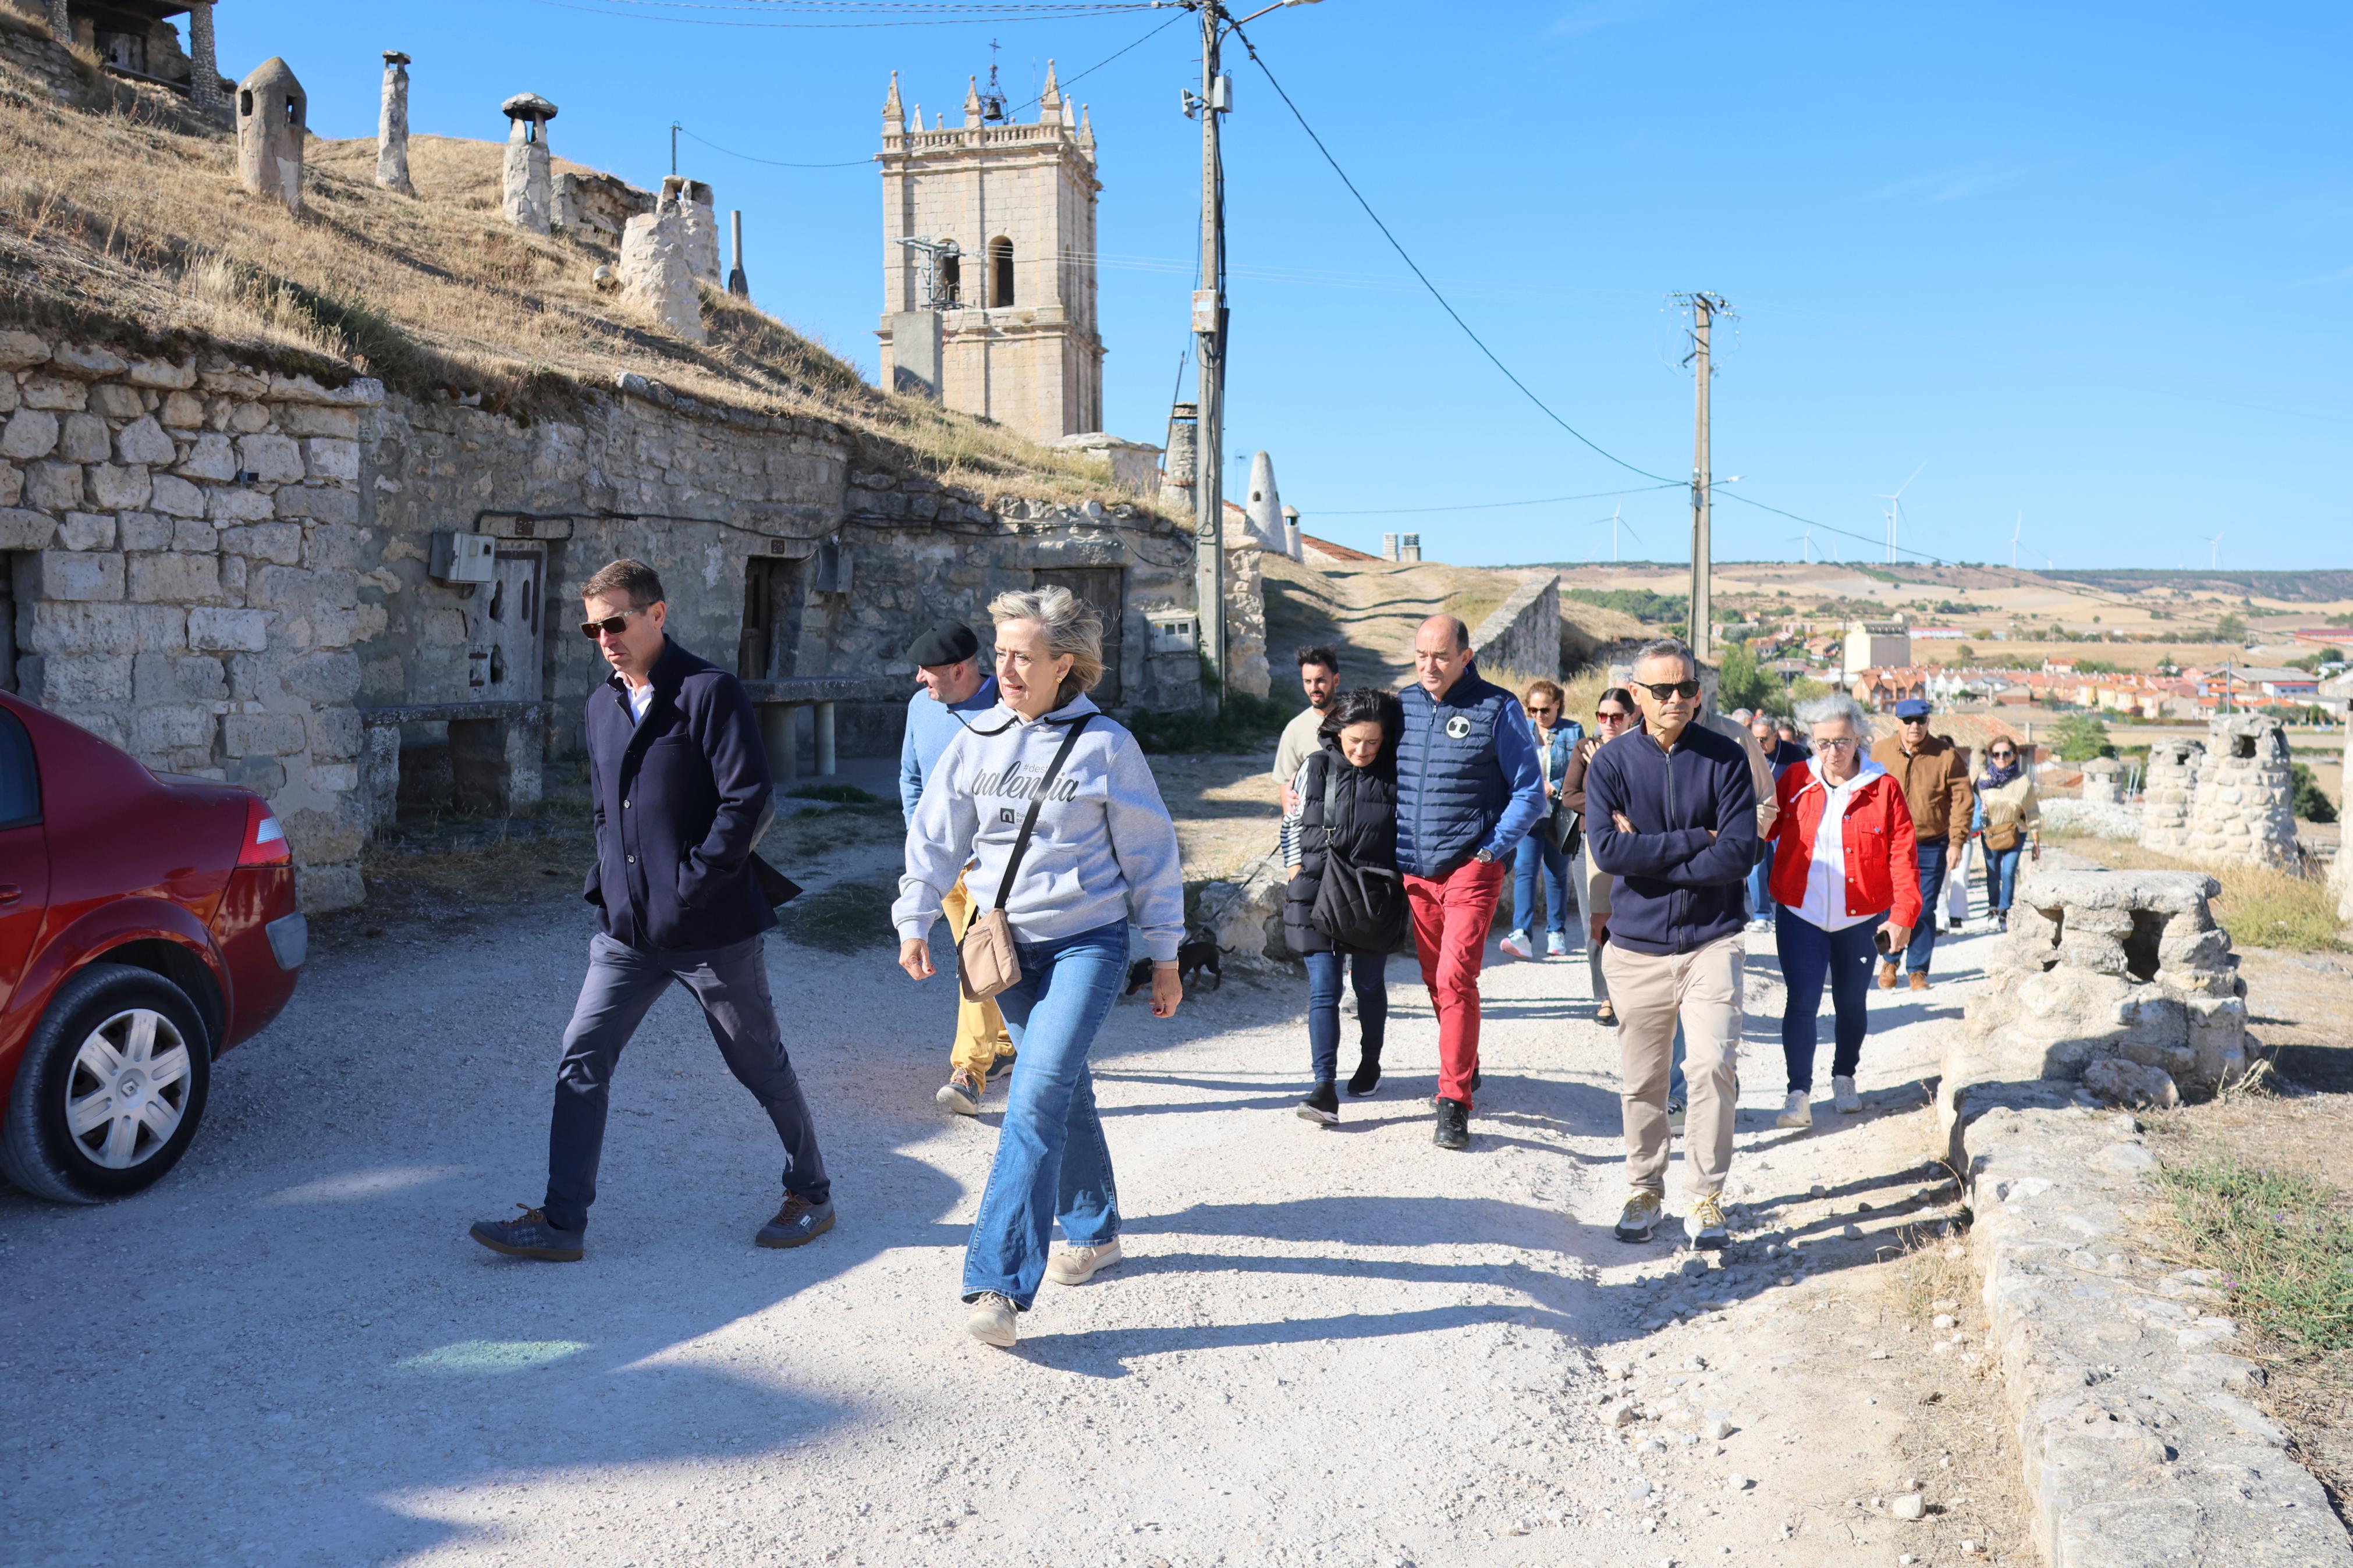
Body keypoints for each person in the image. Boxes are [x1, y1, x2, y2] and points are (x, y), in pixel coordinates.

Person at [469, 559, 833, 1262]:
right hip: (627, 933)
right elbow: (607, 811)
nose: (604, 636)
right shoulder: (600, 705)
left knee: (758, 1063)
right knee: (581, 1053)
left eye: (616, 621)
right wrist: (606, 888)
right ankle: (561, 1221)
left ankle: (811, 1190)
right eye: (592, 626)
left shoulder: (708, 692)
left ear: (656, 615)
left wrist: (693, 884)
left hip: (711, 930)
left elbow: (748, 801)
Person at [894, 585, 1187, 1350]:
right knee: (1062, 1084)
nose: (1008, 668)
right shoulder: (976, 737)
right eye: (1002, 654)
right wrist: (914, 913)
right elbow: (934, 836)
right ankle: (1096, 1225)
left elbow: (1151, 856)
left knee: (1031, 1099)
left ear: (1065, 664)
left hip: (1087, 945)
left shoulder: (1106, 746)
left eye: (1024, 656)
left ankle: (996, 1281)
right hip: (1006, 951)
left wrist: (1165, 954)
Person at [1585, 639, 1758, 1250]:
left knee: (1710, 1064)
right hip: (1634, 947)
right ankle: (1643, 1185)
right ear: (1635, 694)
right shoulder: (1609, 765)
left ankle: (1706, 1196)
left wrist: (1652, 854)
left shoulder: (1725, 757)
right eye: (1662, 690)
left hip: (1712, 940)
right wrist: (1695, 838)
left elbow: (1738, 854)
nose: (1678, 700)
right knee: (1643, 1079)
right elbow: (1608, 853)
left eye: (1687, 688)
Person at [1394, 616, 1546, 1151]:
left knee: (1457, 979)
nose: (1428, 666)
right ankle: (1465, 1056)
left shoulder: (1498, 707)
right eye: (1419, 656)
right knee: (1437, 982)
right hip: (1416, 871)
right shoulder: (1404, 705)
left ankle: (1453, 1102)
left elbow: (1531, 792)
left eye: (1439, 655)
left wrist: (1489, 851)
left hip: (1470, 869)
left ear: (1466, 655)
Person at [1765, 694, 1921, 1128]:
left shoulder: (1882, 787)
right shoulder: (1795, 778)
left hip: (1859, 917)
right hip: (1801, 913)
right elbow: (1761, 828)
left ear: (1859, 738)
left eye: (1842, 741)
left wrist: (1902, 914)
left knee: (1850, 1002)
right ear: (1810, 741)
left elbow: (1902, 855)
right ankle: (1798, 1093)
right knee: (1802, 1001)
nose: (1832, 752)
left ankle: (1844, 1075)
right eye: (1822, 742)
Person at [897, 621, 1015, 1117]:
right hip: (944, 868)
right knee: (989, 961)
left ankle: (968, 1070)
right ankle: (1006, 1045)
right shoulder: (920, 708)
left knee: (975, 962)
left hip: (994, 867)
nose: (920, 680)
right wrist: (924, 847)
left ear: (960, 670)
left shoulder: (1010, 710)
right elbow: (910, 779)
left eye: (928, 671)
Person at [1280, 687, 1404, 1121]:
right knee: (1325, 990)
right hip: (1316, 890)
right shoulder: (1314, 767)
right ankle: (1323, 1088)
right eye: (1354, 740)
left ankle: (1370, 1062)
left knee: (1368, 985)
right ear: (1337, 732)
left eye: (1372, 741)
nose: (1362, 749)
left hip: (1374, 894)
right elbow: (1291, 824)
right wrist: (1295, 869)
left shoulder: (1397, 774)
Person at [1869, 699, 1971, 991]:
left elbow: (1963, 801)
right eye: (1908, 720)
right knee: (1891, 904)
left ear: (1928, 722)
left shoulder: (1946, 755)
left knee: (1923, 906)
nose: (1915, 726)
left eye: (1921, 720)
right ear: (1897, 721)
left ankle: (1918, 970)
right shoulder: (1878, 753)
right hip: (1888, 844)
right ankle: (1890, 961)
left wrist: (1957, 842)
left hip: (1931, 844)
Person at [1562, 687, 1638, 1024]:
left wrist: (1605, 765)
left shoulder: (1642, 750)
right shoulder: (1585, 748)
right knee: (1596, 924)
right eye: (1602, 716)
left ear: (1632, 717)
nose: (1608, 722)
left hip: (1634, 846)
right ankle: (1605, 996)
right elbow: (1569, 796)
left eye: (1617, 716)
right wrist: (1607, 812)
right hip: (1589, 843)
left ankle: (1633, 995)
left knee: (1633, 923)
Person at [1502, 678, 1583, 961]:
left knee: (1557, 874)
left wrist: (1556, 785)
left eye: (1544, 710)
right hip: (1529, 814)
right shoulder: (1520, 729)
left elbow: (1580, 768)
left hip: (1559, 813)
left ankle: (1556, 931)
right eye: (1532, 709)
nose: (1538, 715)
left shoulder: (1573, 731)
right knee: (1525, 870)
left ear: (1558, 705)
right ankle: (1521, 933)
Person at [1972, 737, 2041, 931]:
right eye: (1997, 754)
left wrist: (2037, 842)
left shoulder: (2023, 781)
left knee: (2008, 871)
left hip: (2016, 832)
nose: (2001, 758)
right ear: (1991, 756)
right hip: (1991, 833)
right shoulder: (1983, 779)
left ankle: (2005, 910)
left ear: (2014, 755)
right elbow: (1974, 805)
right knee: (1993, 872)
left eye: (2006, 753)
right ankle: (1993, 907)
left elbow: (2032, 811)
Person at [1274, 646, 1342, 813]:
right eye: (1308, 681)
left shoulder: (1356, 720)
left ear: (1336, 680)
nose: (1314, 688)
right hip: (1314, 826)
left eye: (1320, 680)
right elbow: (1286, 784)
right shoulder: (1294, 729)